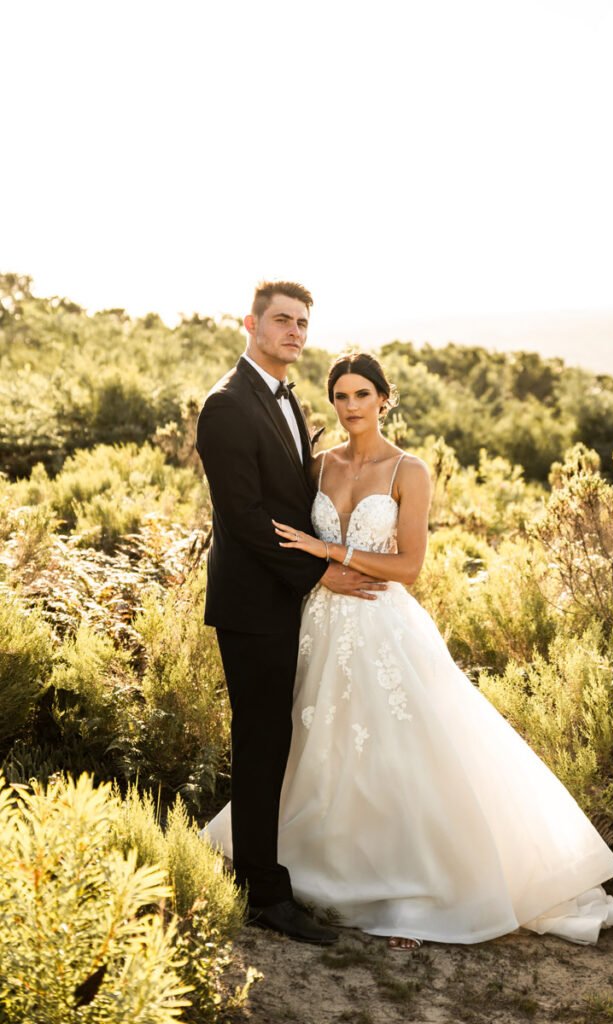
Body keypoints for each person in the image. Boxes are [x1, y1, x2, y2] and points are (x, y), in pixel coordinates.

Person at [204, 351, 613, 949]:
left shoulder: (410, 471)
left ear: (384, 399)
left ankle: (407, 876)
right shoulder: (318, 467)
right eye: (341, 396)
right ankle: (306, 864)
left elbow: (409, 566)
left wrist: (330, 552)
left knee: (394, 750)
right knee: (313, 745)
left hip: (380, 623)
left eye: (362, 395)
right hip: (318, 623)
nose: (351, 407)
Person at [196, 285, 386, 946]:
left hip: (289, 602)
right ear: (250, 323)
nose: (294, 331)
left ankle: (277, 867)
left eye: (303, 322)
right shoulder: (226, 404)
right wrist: (321, 572)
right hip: (253, 605)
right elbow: (244, 518)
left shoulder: (286, 395)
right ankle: (263, 894)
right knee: (261, 741)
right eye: (282, 319)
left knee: (282, 738)